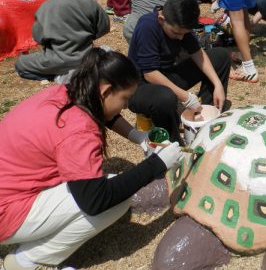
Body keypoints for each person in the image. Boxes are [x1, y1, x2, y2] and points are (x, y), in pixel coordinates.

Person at [0, 48, 183, 270]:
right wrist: (158, 163)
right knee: (115, 200)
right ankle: (28, 260)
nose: (125, 106)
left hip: (9, 186)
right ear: (105, 91)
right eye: (124, 99)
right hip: (6, 212)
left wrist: (137, 136)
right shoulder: (79, 131)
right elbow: (95, 201)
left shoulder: (68, 93)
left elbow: (104, 113)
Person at [128, 0, 231, 144]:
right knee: (165, 97)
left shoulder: (180, 26)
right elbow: (150, 74)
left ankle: (205, 117)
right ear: (162, 19)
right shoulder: (147, 25)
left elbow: (197, 53)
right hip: (139, 87)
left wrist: (217, 84)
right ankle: (174, 142)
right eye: (176, 33)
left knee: (221, 56)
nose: (181, 38)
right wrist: (186, 97)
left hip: (166, 76)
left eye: (185, 34)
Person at [15, 0, 110, 82]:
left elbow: (39, 38)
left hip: (57, 60)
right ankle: (74, 73)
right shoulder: (88, 0)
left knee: (20, 64)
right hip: (89, 57)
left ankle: (59, 76)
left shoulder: (46, 8)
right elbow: (103, 28)